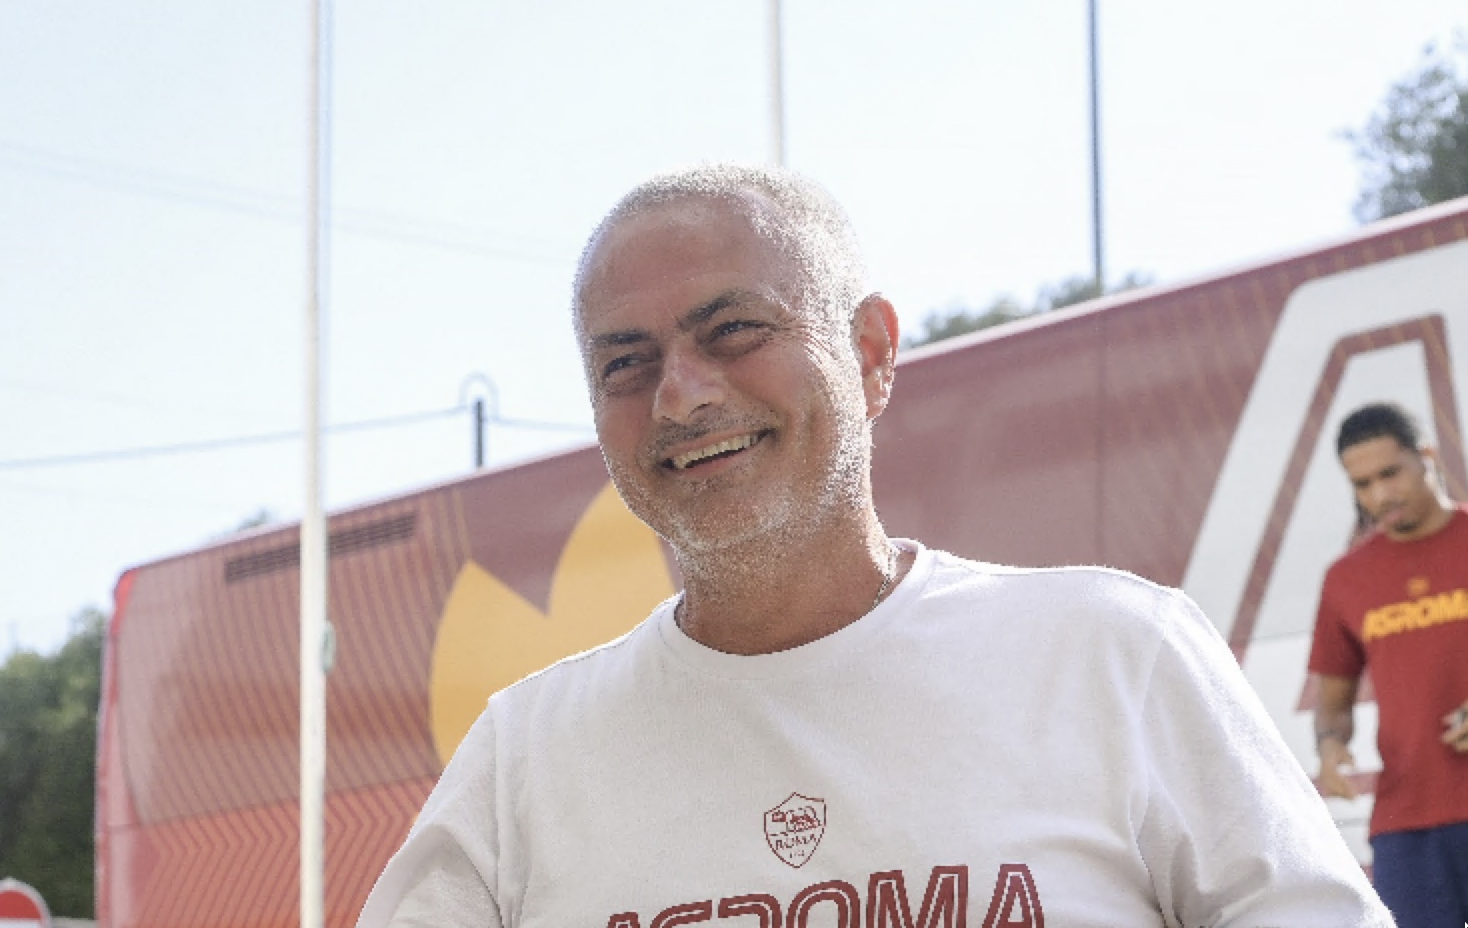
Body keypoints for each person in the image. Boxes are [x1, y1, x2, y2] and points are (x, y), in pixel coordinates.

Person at [357, 164, 1390, 927]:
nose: (682, 391)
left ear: (871, 352)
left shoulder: (1114, 654)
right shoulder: (522, 757)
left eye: (733, 329)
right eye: (625, 362)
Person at [1309, 401, 1468, 927]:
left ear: (1426, 457)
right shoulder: (1346, 578)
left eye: (1389, 474)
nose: (1379, 496)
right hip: (1406, 826)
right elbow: (1332, 707)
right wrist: (1332, 750)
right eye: (1362, 484)